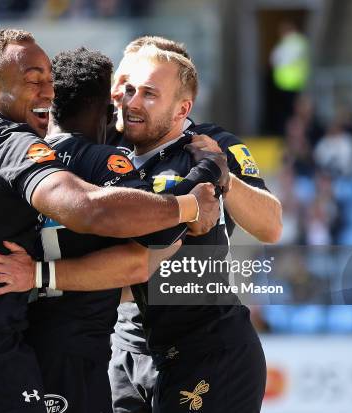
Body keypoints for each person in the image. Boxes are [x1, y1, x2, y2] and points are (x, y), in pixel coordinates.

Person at [0, 29, 215, 413]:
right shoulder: (9, 140)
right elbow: (88, 208)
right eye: (33, 80)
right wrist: (188, 204)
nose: (47, 91)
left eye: (50, 80)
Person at [0, 47, 224, 413]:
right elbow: (158, 230)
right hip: (78, 346)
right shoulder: (101, 161)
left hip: (20, 342)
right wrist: (208, 171)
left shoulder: (23, 158)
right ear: (104, 111)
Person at [107, 36, 281, 413]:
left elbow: (271, 225)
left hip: (204, 343)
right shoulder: (105, 148)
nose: (129, 98)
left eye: (148, 92)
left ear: (180, 105)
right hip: (126, 345)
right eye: (126, 86)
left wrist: (225, 179)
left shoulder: (212, 143)